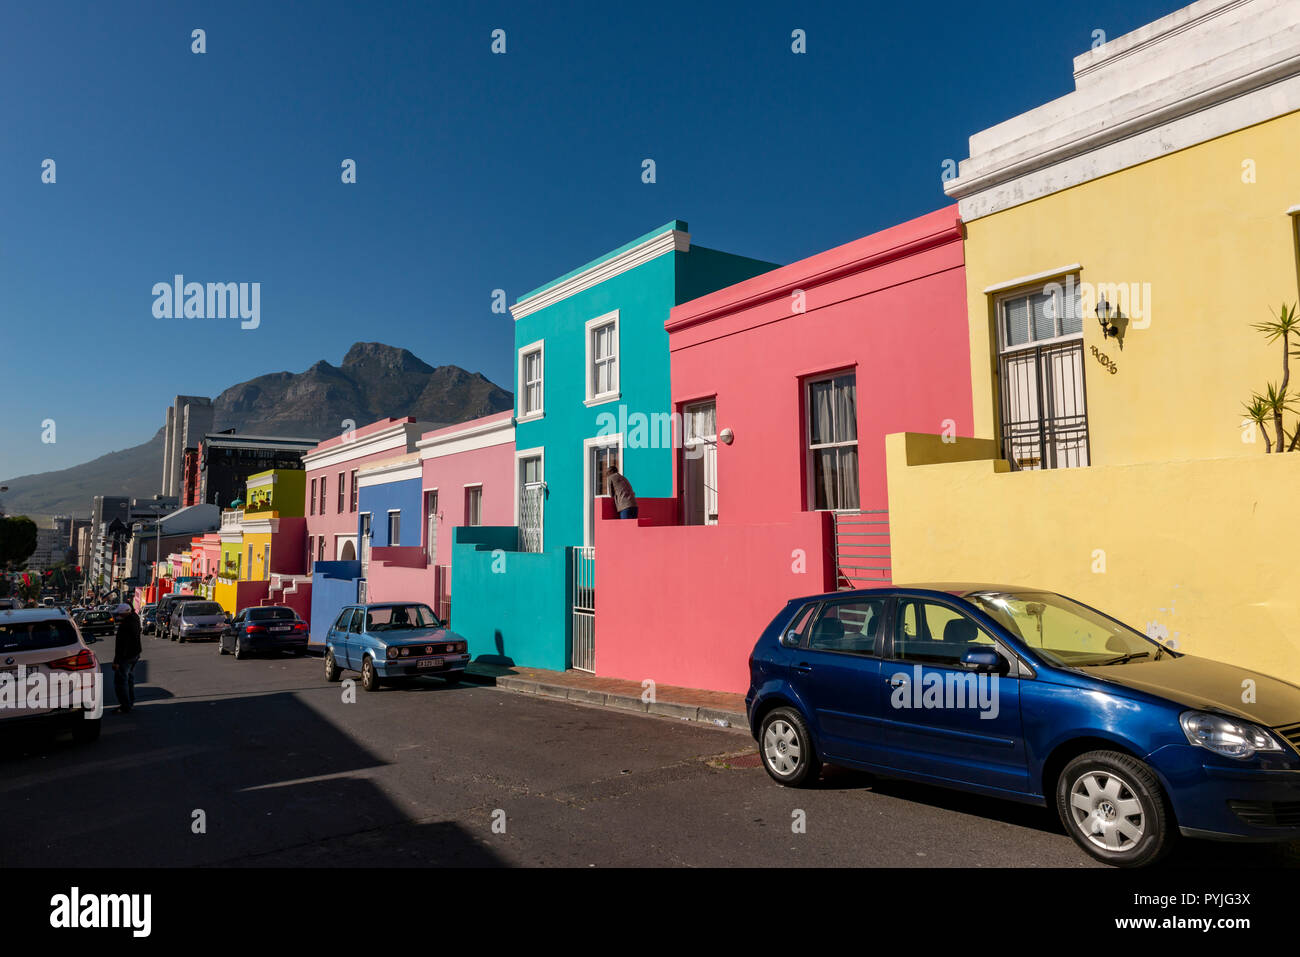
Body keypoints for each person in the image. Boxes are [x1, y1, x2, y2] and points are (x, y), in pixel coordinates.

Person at [111, 602, 142, 714]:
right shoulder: (135, 618)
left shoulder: (125, 625)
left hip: (126, 657)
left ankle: (125, 705)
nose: (119, 616)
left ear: (125, 613)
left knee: (120, 681)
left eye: (120, 614)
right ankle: (130, 702)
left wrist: (116, 662)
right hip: (135, 654)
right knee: (129, 679)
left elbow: (121, 645)